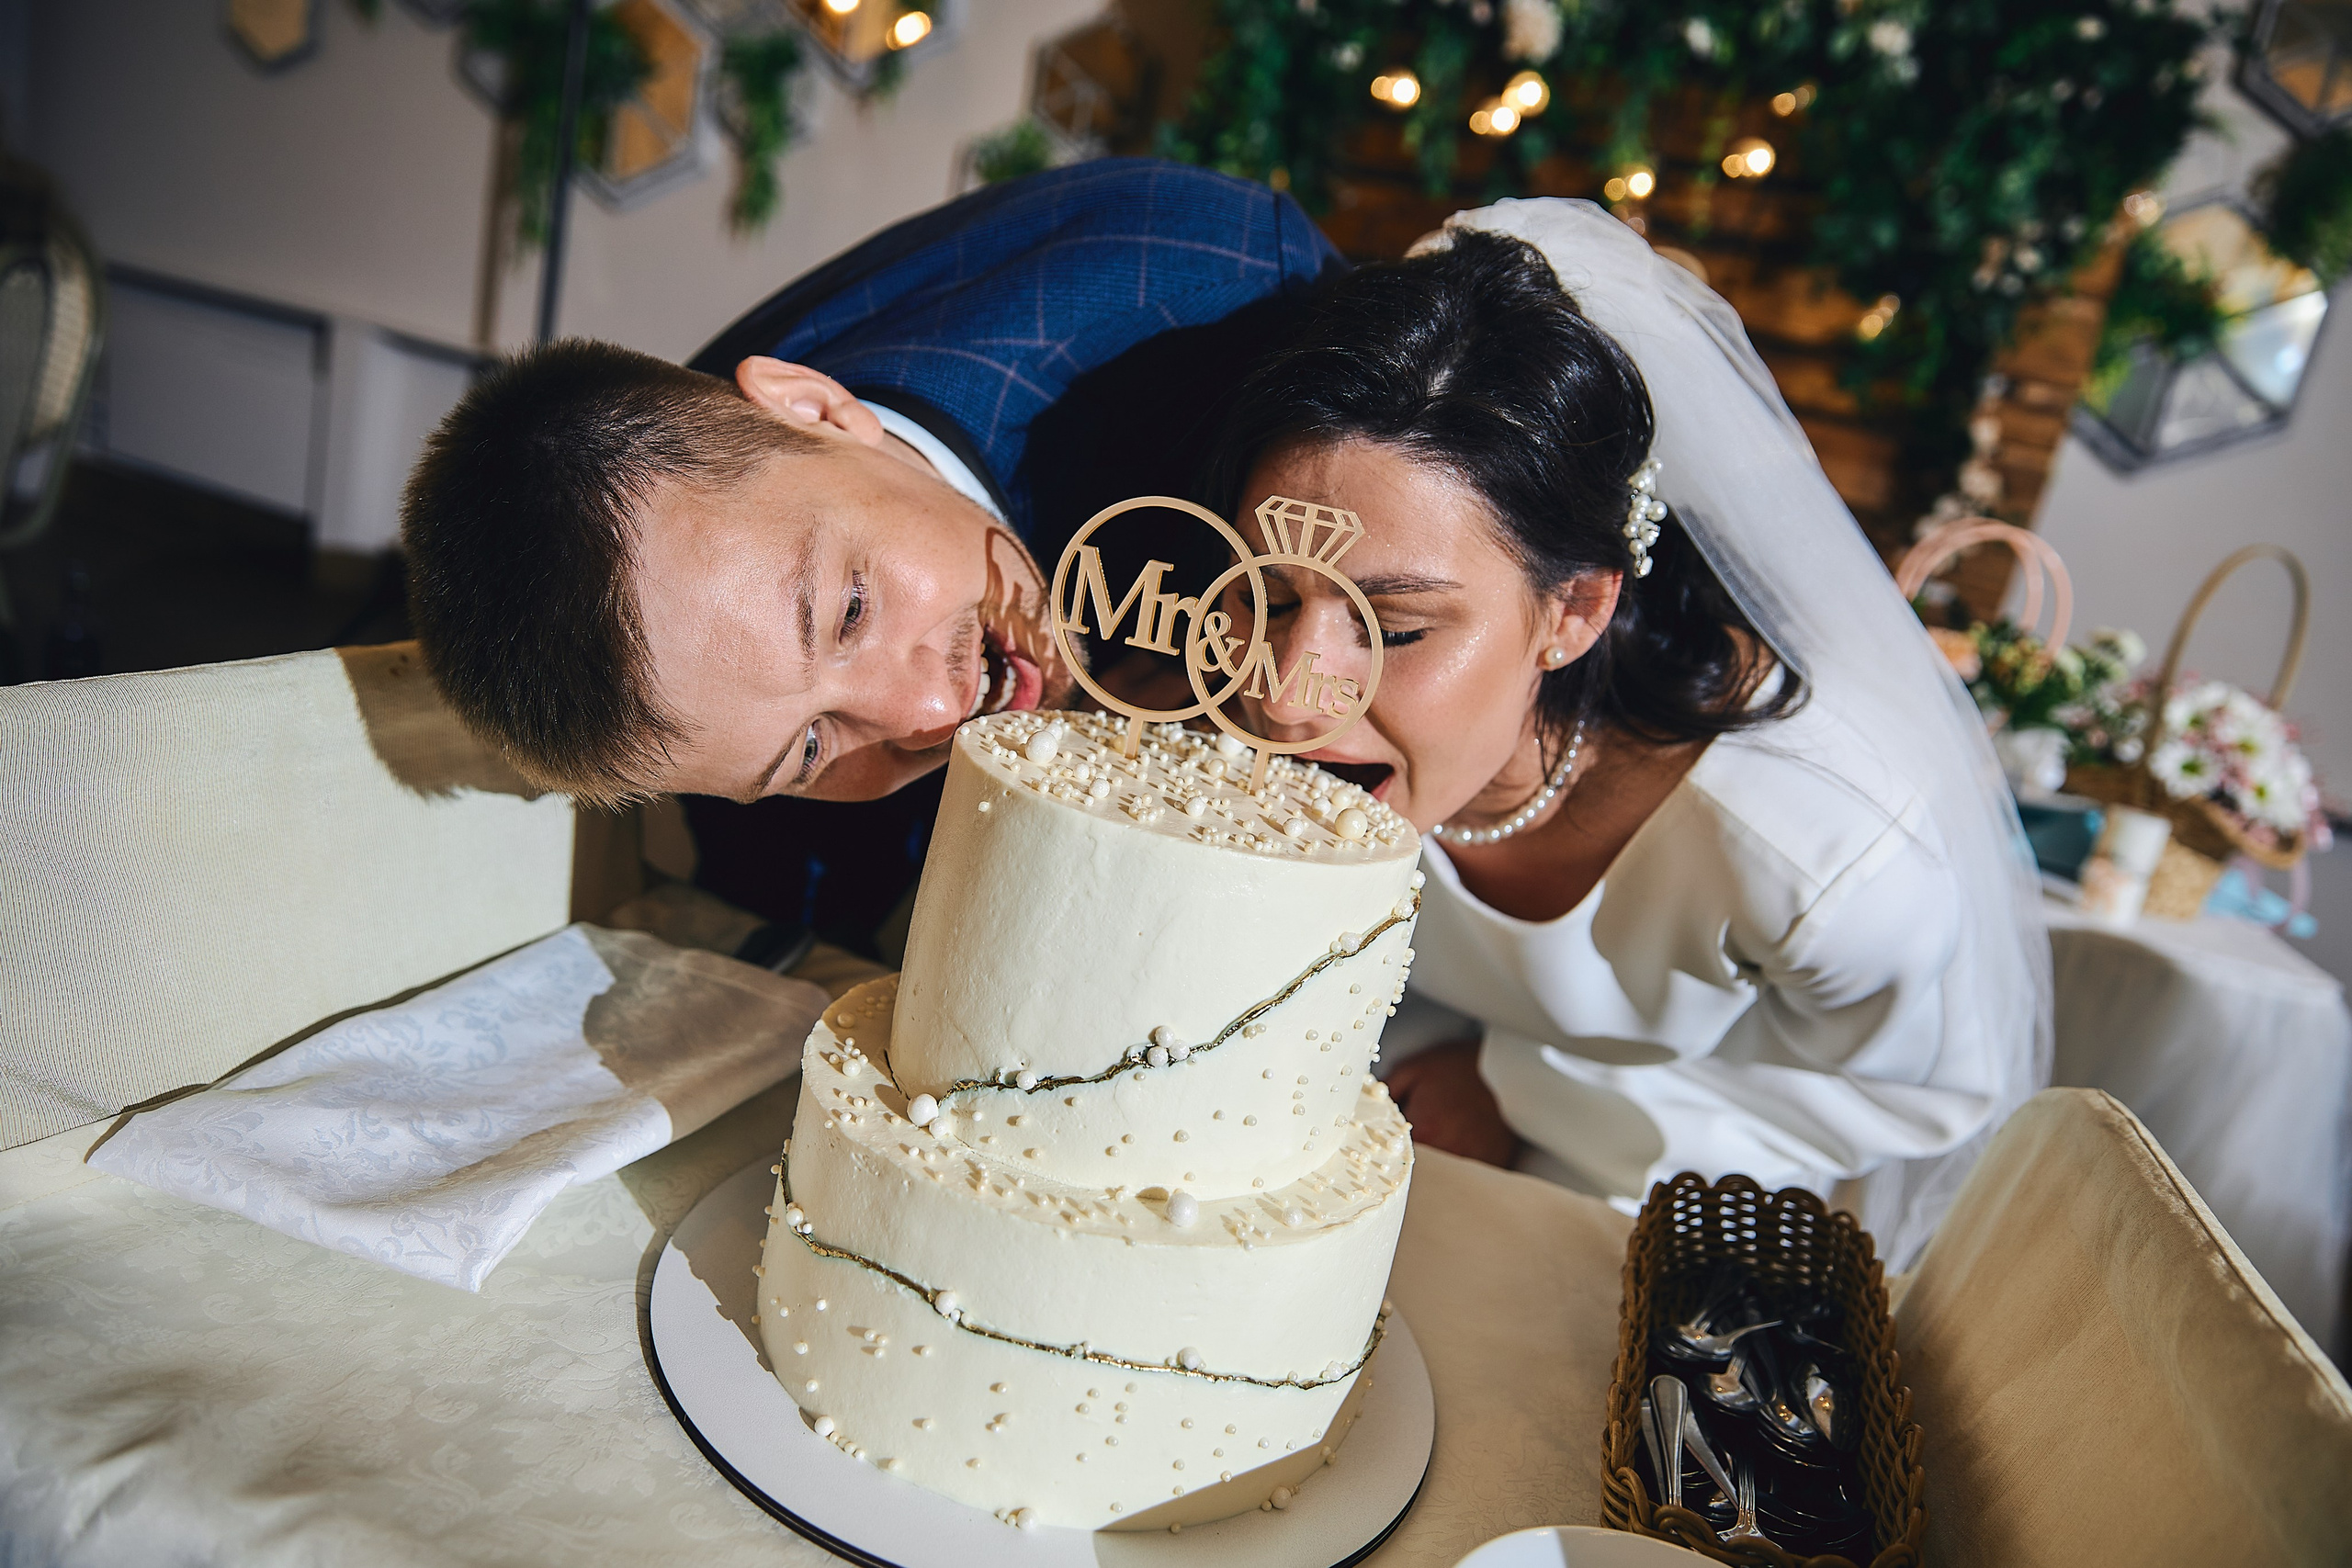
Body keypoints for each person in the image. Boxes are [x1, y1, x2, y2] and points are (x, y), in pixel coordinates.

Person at [1203, 202, 2051, 1267]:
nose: (1285, 695)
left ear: (1573, 612)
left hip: (1646, 1243)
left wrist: (1515, 1084)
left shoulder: (1823, 852)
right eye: (1266, 596)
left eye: (1398, 626)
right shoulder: (1217, 707)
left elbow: (1906, 1106)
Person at [401, 159, 1338, 952]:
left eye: (850, 611)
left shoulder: (1233, 297)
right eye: (808, 749)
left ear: (814, 409)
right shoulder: (714, 677)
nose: (929, 714)